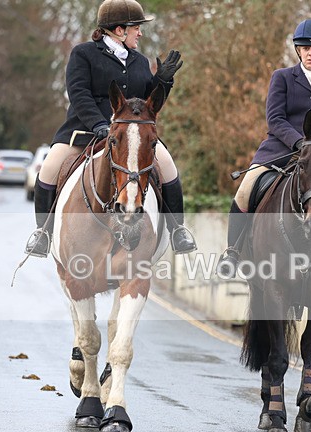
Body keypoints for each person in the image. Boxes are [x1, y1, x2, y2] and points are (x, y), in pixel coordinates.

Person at [24, 0, 196, 257]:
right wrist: (99, 125)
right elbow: (79, 94)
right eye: (136, 28)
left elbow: (148, 104)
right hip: (84, 131)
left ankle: (177, 230)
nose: (140, 33)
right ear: (119, 30)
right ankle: (43, 233)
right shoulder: (83, 54)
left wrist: (163, 81)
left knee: (168, 167)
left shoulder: (139, 61)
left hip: (131, 136)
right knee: (48, 169)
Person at [215, 19, 311, 286]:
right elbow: (275, 119)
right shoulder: (282, 77)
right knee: (245, 189)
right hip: (279, 151)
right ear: (298, 50)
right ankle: (233, 252)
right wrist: (298, 143)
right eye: (305, 47)